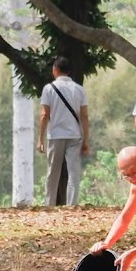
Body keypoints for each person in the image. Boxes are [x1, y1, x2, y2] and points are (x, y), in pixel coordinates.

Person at [38, 56, 89, 207]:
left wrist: (40, 139)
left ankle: (49, 203)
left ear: (55, 70)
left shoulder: (49, 89)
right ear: (69, 71)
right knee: (73, 172)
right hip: (75, 135)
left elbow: (45, 115)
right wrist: (86, 139)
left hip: (56, 135)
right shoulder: (79, 90)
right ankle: (72, 204)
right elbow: (84, 116)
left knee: (53, 171)